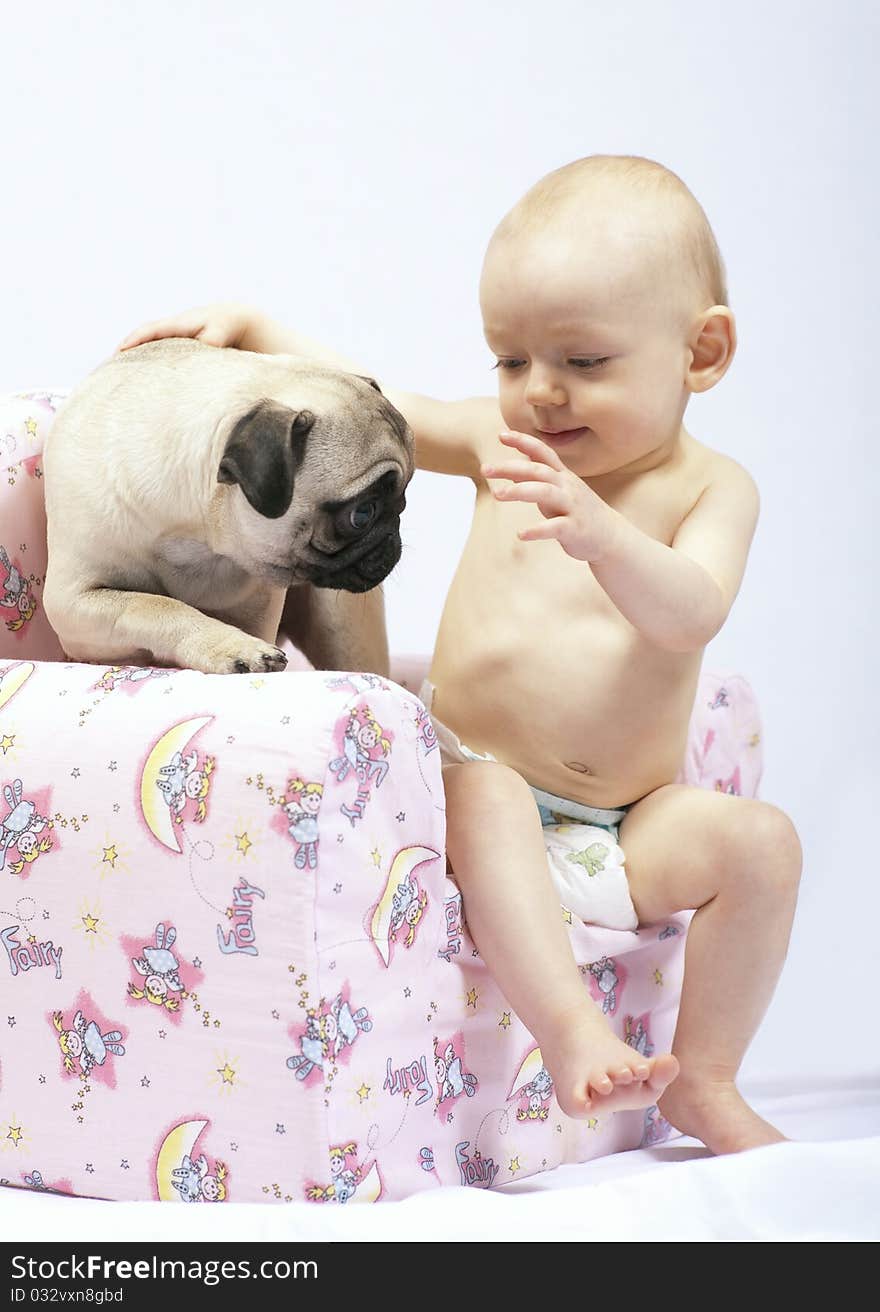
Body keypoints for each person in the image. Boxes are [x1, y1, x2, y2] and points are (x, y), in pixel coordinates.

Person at [117, 154, 802, 1154]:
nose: (539, 393)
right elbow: (374, 405)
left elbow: (690, 610)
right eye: (510, 360)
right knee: (493, 795)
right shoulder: (499, 442)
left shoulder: (712, 489)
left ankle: (704, 1079)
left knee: (762, 843)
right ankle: (575, 1040)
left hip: (626, 822)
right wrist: (262, 337)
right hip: (467, 787)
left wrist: (604, 536)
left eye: (584, 361)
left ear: (700, 352)